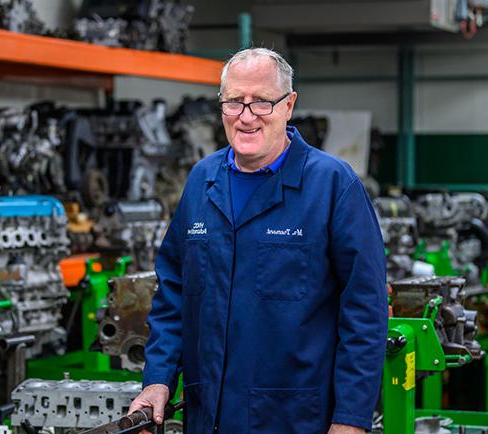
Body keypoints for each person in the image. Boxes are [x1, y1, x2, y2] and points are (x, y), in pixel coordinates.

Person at [129, 47, 388, 434]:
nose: (246, 116)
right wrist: (158, 378)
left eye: (262, 102)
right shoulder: (202, 180)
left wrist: (350, 419)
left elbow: (365, 311)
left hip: (295, 419)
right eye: (234, 101)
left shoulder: (332, 184)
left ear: (289, 105)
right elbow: (173, 293)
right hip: (209, 417)